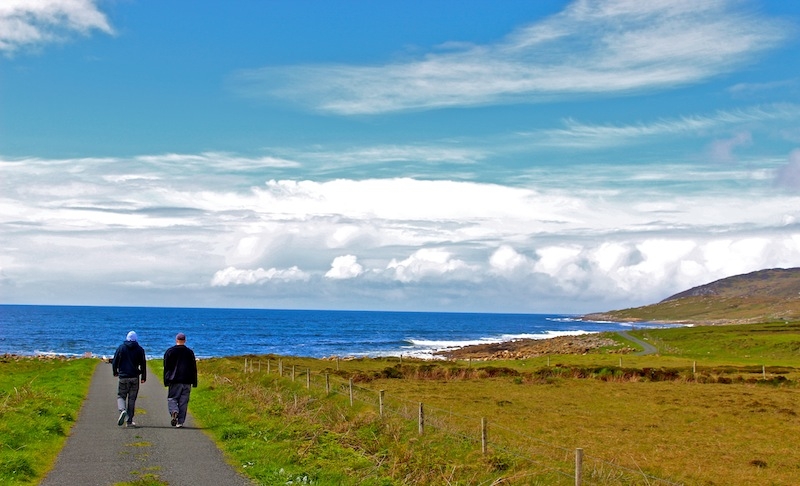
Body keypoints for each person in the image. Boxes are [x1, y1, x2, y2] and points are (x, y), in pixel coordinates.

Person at [112, 331, 146, 427]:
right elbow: (143, 364)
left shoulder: (121, 348)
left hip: (123, 376)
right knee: (132, 399)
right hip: (134, 377)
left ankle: (122, 410)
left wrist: (115, 372)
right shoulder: (140, 349)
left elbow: (115, 361)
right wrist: (143, 377)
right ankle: (129, 421)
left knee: (121, 396)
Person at [163, 332, 197, 428]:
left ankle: (174, 411)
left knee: (172, 398)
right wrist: (194, 382)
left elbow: (166, 368)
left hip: (174, 380)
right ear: (184, 341)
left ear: (176, 340)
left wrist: (166, 380)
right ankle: (180, 422)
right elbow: (193, 368)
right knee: (183, 402)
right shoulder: (189, 352)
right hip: (187, 381)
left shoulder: (170, 351)